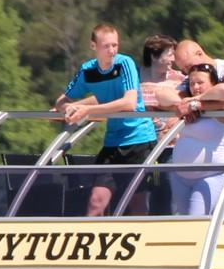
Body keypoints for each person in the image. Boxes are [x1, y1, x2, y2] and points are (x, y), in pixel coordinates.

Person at [56, 23, 157, 217]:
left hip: (139, 139)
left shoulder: (124, 63)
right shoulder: (87, 70)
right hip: (113, 141)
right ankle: (93, 242)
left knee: (137, 203)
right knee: (96, 201)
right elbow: (62, 100)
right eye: (106, 46)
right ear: (94, 46)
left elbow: (129, 103)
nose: (112, 51)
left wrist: (86, 110)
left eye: (115, 45)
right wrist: (68, 108)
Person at [172, 38, 224, 159]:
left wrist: (194, 105)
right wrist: (183, 103)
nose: (187, 72)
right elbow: (166, 95)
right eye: (184, 69)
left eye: (188, 66)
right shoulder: (191, 77)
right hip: (210, 147)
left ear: (199, 53)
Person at [167, 62, 224, 216]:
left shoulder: (222, 108)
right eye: (191, 83)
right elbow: (161, 95)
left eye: (200, 83)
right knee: (180, 223)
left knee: (194, 219)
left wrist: (195, 103)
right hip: (179, 176)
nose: (195, 87)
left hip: (209, 176)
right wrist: (185, 103)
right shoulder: (185, 106)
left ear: (213, 84)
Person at [139, 33, 184, 111]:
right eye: (170, 55)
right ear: (154, 56)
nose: (173, 59)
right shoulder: (133, 76)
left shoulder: (179, 79)